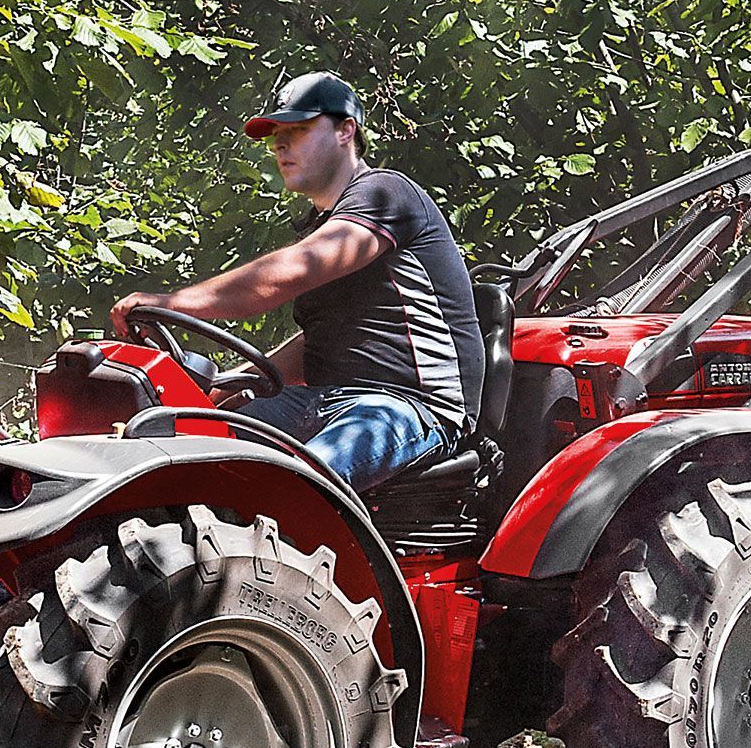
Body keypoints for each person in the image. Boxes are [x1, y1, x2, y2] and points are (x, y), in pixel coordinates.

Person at [110, 72, 485, 491]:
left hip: (407, 409)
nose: (279, 144)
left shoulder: (386, 194)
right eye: (276, 134)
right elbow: (317, 342)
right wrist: (227, 387)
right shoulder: (320, 227)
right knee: (185, 453)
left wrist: (172, 302)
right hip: (320, 400)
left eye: (299, 129)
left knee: (286, 489)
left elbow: (285, 275)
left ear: (347, 130)